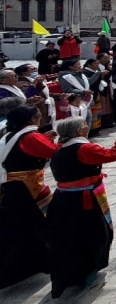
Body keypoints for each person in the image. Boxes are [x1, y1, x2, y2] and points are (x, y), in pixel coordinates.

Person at [47, 117, 116, 298]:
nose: (87, 126)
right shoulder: (84, 149)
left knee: (67, 236)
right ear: (79, 131)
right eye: (84, 125)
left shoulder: (59, 148)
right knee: (94, 233)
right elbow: (113, 154)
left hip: (62, 199)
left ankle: (70, 273)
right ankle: (88, 268)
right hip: (83, 200)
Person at [0, 105, 57, 289]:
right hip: (28, 188)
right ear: (32, 119)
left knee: (21, 227)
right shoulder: (30, 136)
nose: (41, 118)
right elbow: (55, 152)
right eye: (39, 116)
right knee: (40, 224)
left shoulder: (10, 136)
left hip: (12, 187)